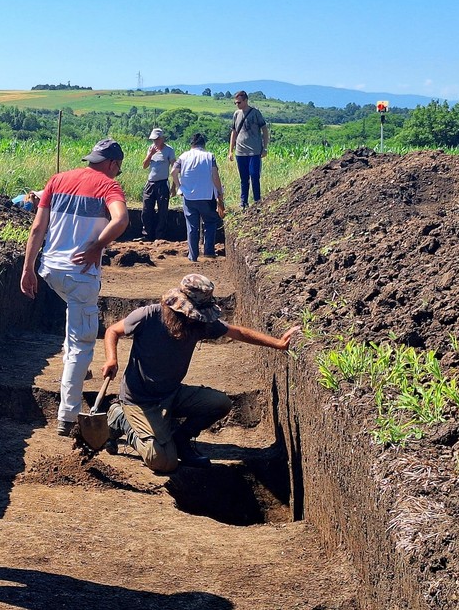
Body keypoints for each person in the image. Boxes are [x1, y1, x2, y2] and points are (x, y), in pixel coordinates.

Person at [101, 274, 299, 473]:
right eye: (189, 314)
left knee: (220, 403)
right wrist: (112, 359)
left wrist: (278, 344)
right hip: (139, 400)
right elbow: (113, 331)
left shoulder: (198, 324)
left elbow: (237, 332)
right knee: (162, 462)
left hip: (172, 393)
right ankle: (121, 418)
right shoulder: (148, 315)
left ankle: (181, 438)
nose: (192, 318)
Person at [20, 138, 129, 436]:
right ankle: (67, 416)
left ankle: (76, 371)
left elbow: (37, 228)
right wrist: (96, 247)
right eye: (118, 168)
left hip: (50, 270)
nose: (117, 173)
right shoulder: (109, 186)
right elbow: (121, 220)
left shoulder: (57, 180)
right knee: (82, 343)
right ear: (112, 164)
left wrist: (27, 268)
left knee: (75, 326)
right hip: (80, 274)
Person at [170, 133, 225, 262]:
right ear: (203, 144)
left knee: (192, 227)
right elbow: (215, 176)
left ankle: (193, 256)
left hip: (189, 196)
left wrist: (179, 186)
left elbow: (173, 172)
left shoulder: (183, 156)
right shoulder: (209, 156)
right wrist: (219, 192)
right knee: (210, 222)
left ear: (192, 144)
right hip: (207, 196)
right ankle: (209, 251)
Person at [227, 90, 269, 209]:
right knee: (244, 178)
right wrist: (230, 151)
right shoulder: (236, 114)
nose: (237, 104)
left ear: (246, 100)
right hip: (240, 152)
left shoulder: (255, 113)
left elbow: (264, 130)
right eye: (236, 103)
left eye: (239, 102)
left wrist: (265, 147)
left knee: (255, 176)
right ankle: (243, 202)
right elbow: (234, 132)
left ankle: (257, 201)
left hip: (254, 151)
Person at [140, 128, 176, 241]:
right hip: (150, 183)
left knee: (162, 211)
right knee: (146, 210)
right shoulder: (150, 149)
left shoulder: (169, 150)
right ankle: (147, 235)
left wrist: (174, 186)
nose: (155, 142)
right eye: (153, 140)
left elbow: (174, 168)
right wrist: (150, 155)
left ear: (162, 139)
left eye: (156, 139)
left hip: (162, 184)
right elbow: (144, 166)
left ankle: (160, 236)